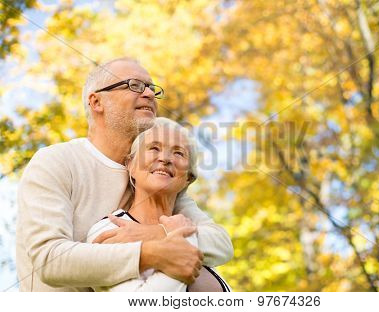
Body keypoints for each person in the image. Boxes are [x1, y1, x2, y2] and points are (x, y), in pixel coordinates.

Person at [16, 57, 233, 291]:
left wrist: (154, 233)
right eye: (134, 85)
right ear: (96, 101)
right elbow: (49, 260)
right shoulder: (56, 161)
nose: (149, 94)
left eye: (151, 88)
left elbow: (220, 243)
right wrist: (149, 253)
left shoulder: (155, 178)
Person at [87, 117, 231, 291]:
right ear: (130, 165)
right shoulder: (110, 229)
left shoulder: (189, 228)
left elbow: (224, 247)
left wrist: (170, 233)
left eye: (178, 153)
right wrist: (182, 242)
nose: (165, 158)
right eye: (154, 148)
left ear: (188, 179)